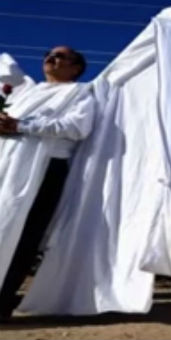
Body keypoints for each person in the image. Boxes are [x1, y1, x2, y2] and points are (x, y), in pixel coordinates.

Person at [0, 46, 95, 320]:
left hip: (44, 170)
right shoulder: (28, 93)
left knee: (23, 234)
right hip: (9, 166)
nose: (51, 59)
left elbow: (76, 127)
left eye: (60, 57)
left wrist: (21, 126)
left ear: (76, 68)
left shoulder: (81, 92)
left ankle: (3, 296)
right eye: (48, 55)